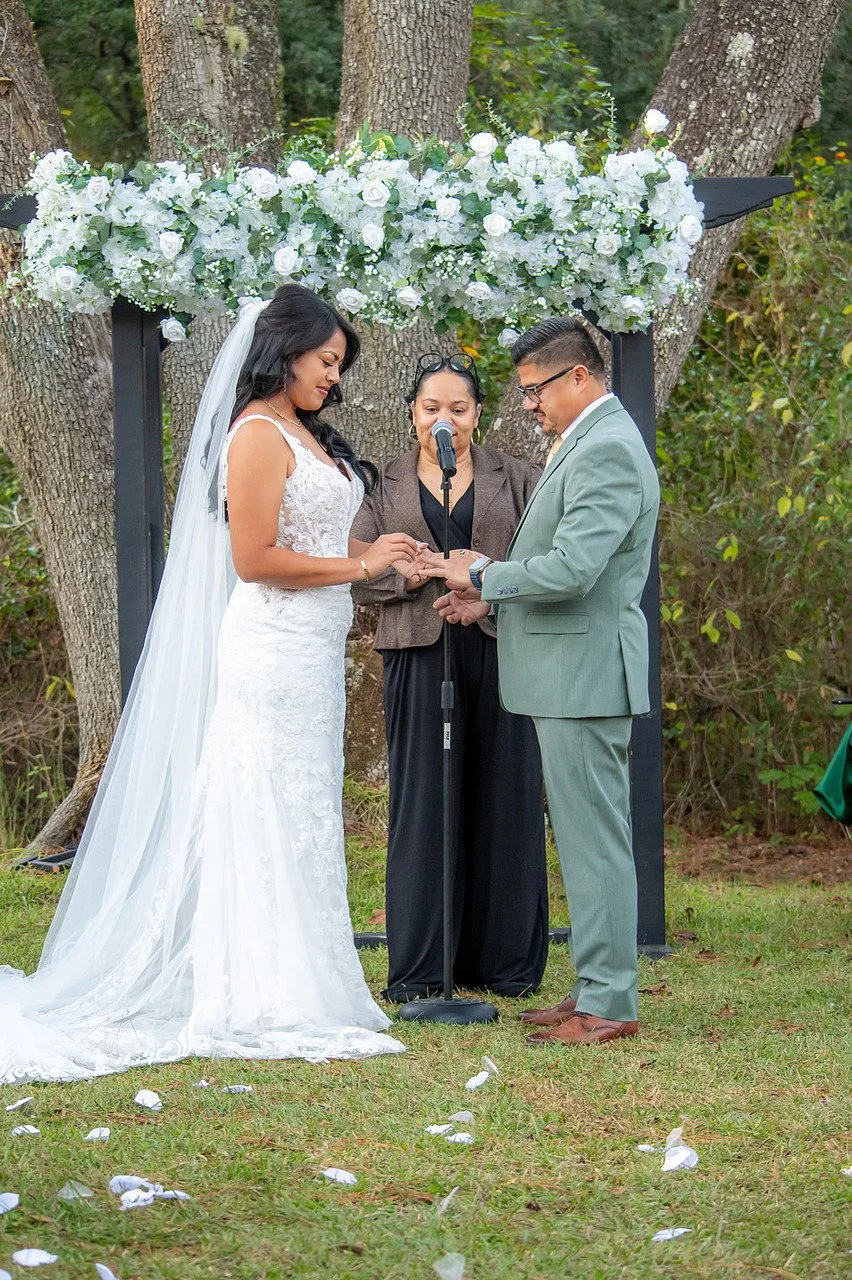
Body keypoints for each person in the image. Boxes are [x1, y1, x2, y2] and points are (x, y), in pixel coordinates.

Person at [0, 285, 419, 1085]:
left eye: (338, 365)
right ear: (284, 352)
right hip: (269, 649)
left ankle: (305, 974)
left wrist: (384, 563)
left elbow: (323, 547)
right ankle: (262, 987)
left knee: (299, 807)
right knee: (262, 801)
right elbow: (254, 559)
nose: (334, 376)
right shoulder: (257, 434)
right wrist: (359, 563)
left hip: (313, 652)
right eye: (326, 361)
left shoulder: (308, 435)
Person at [419, 317, 660, 1045]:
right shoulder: (585, 441)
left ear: (578, 377)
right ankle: (593, 985)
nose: (528, 404)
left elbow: (573, 571)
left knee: (595, 844)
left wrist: (481, 570)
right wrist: (487, 598)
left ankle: (611, 1002)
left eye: (534, 390)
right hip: (568, 673)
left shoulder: (609, 448)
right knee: (587, 841)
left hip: (586, 677)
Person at [350, 353, 548, 1002]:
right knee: (423, 803)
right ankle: (419, 967)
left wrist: (491, 589)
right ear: (413, 414)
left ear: (478, 414)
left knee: (505, 797)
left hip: (499, 647)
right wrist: (399, 573)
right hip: (417, 648)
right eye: (432, 408)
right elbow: (358, 567)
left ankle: (506, 964)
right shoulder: (385, 486)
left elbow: (546, 561)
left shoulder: (516, 476)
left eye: (458, 409)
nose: (445, 420)